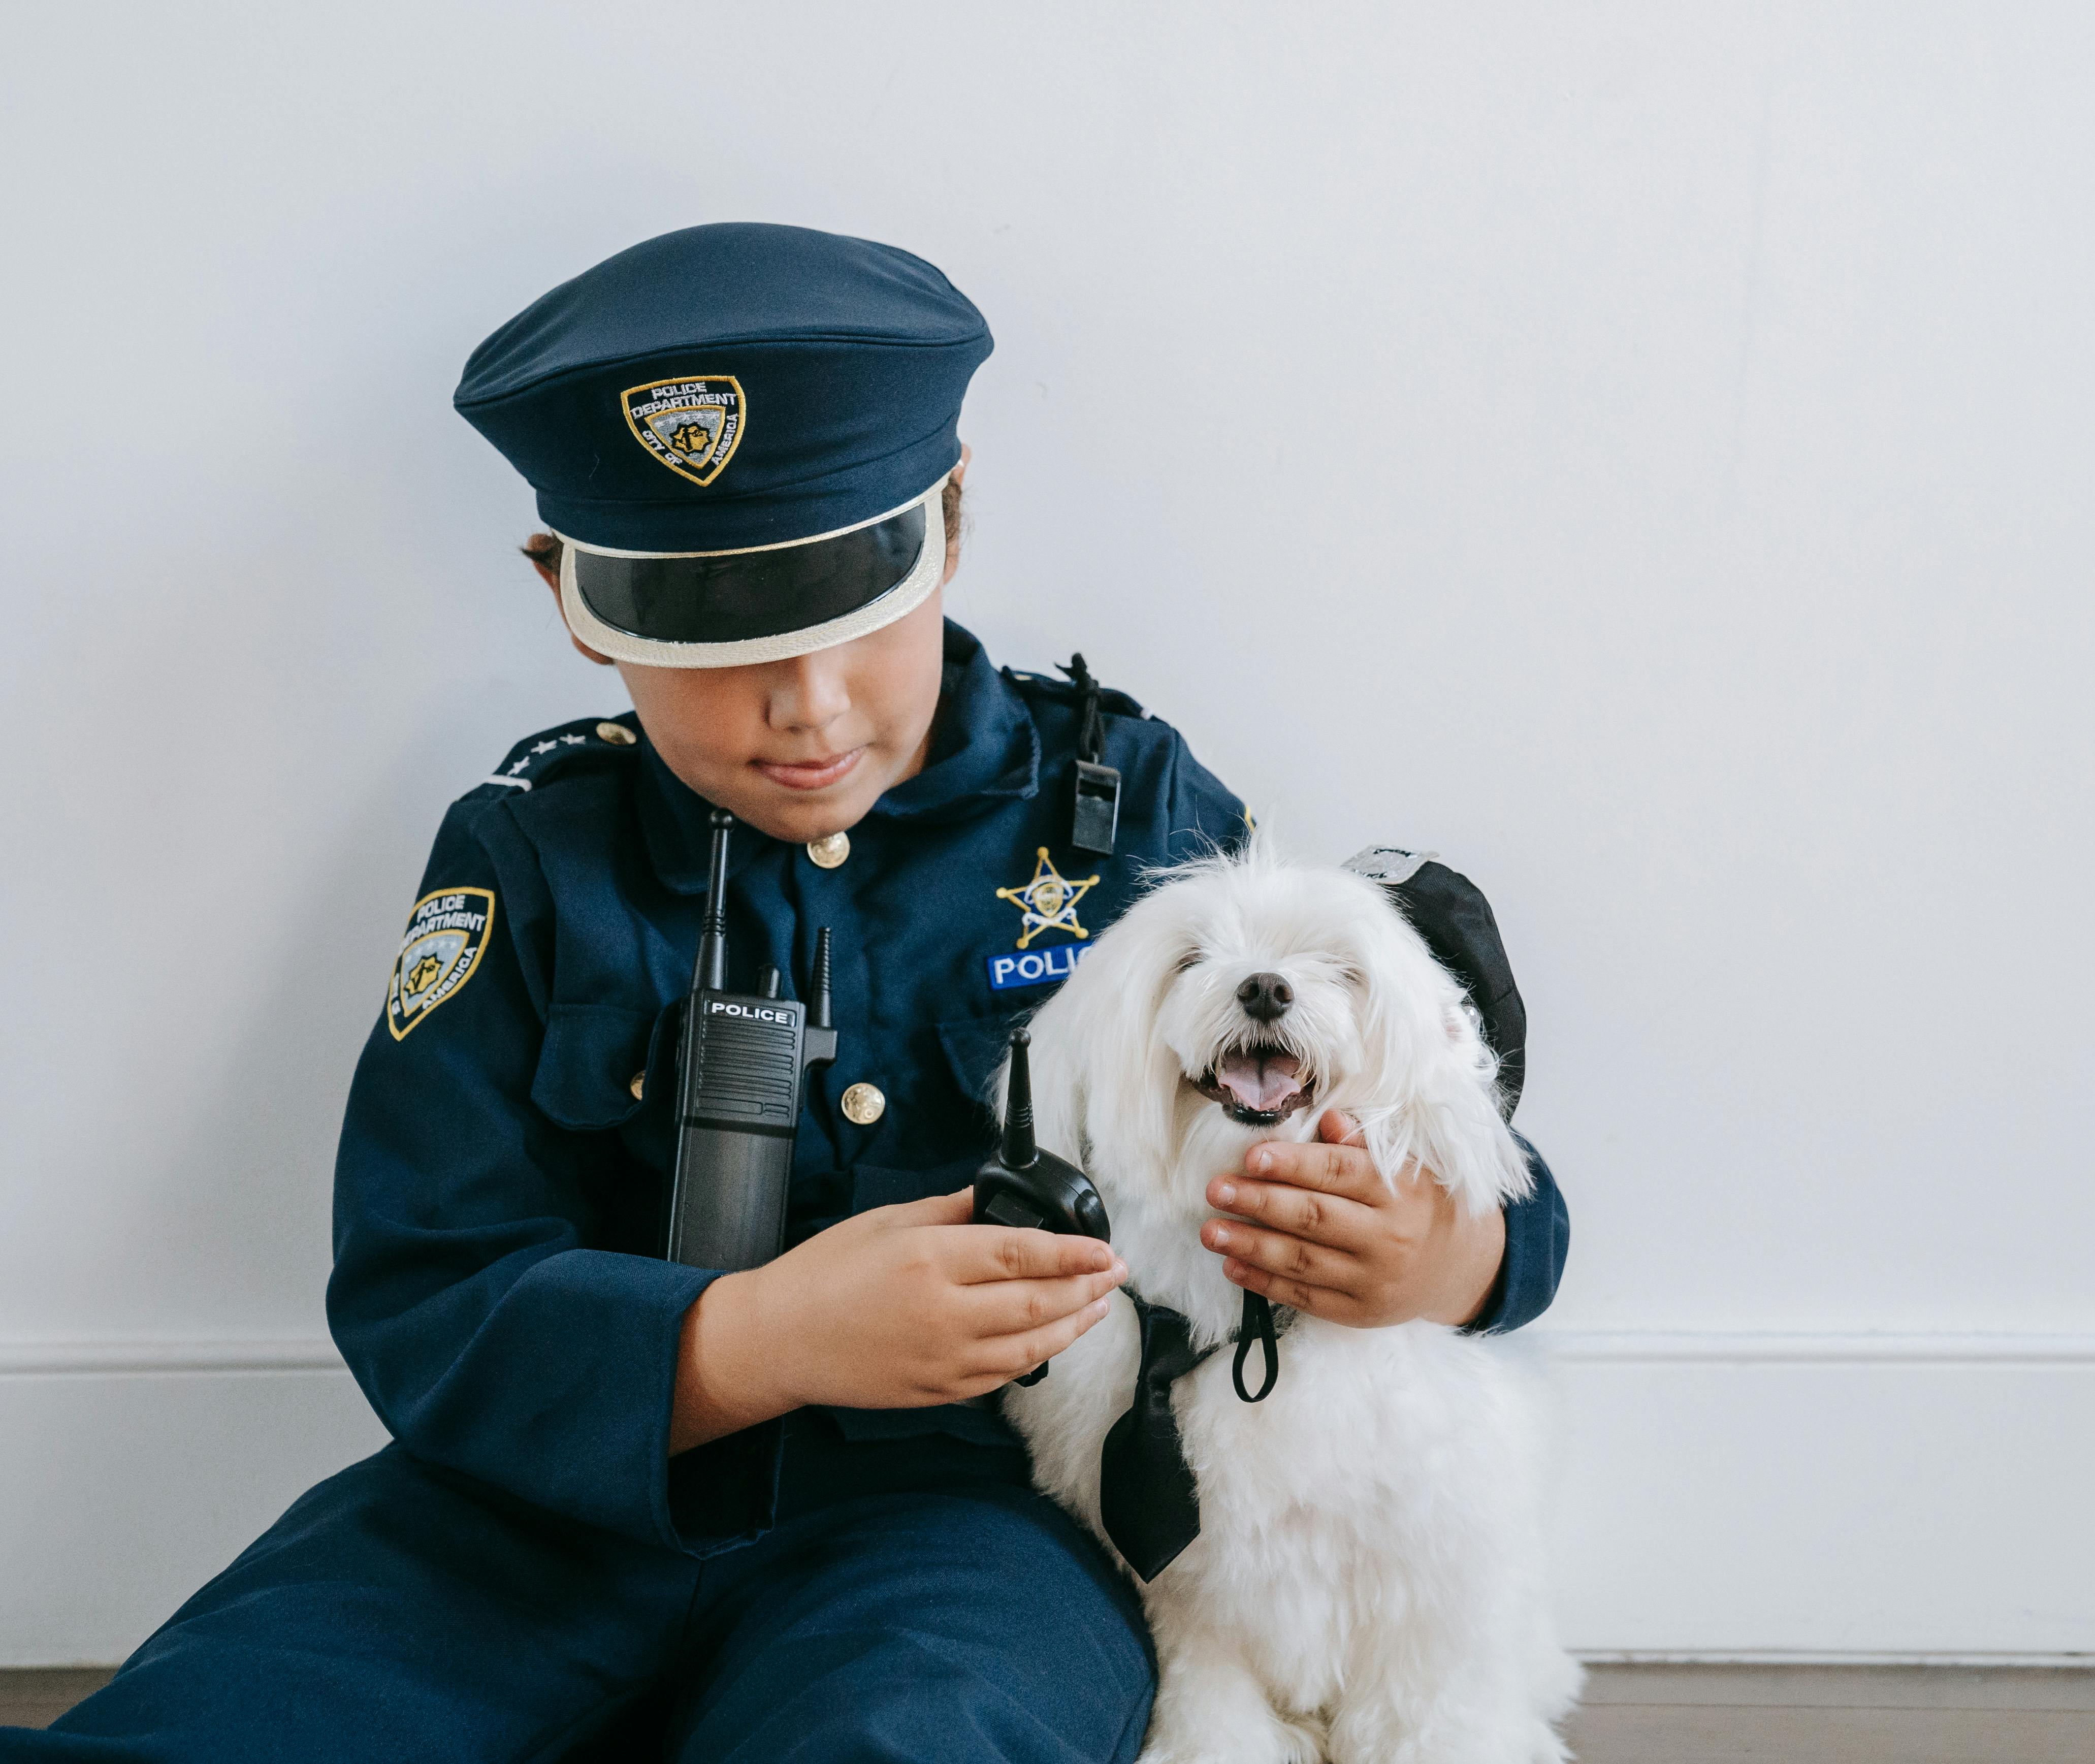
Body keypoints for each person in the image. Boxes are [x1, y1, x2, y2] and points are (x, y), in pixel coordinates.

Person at [15, 222, 1570, 1763]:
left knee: (910, 1741)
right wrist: (748, 1339)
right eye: (708, 628)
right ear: (568, 591)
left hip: (964, 1533)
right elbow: (424, 1281)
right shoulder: (531, 855)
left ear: (950, 521)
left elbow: (1419, 1103)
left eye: (847, 609)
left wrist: (1454, 1251)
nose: (805, 707)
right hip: (521, 1525)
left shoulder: (1134, 815)